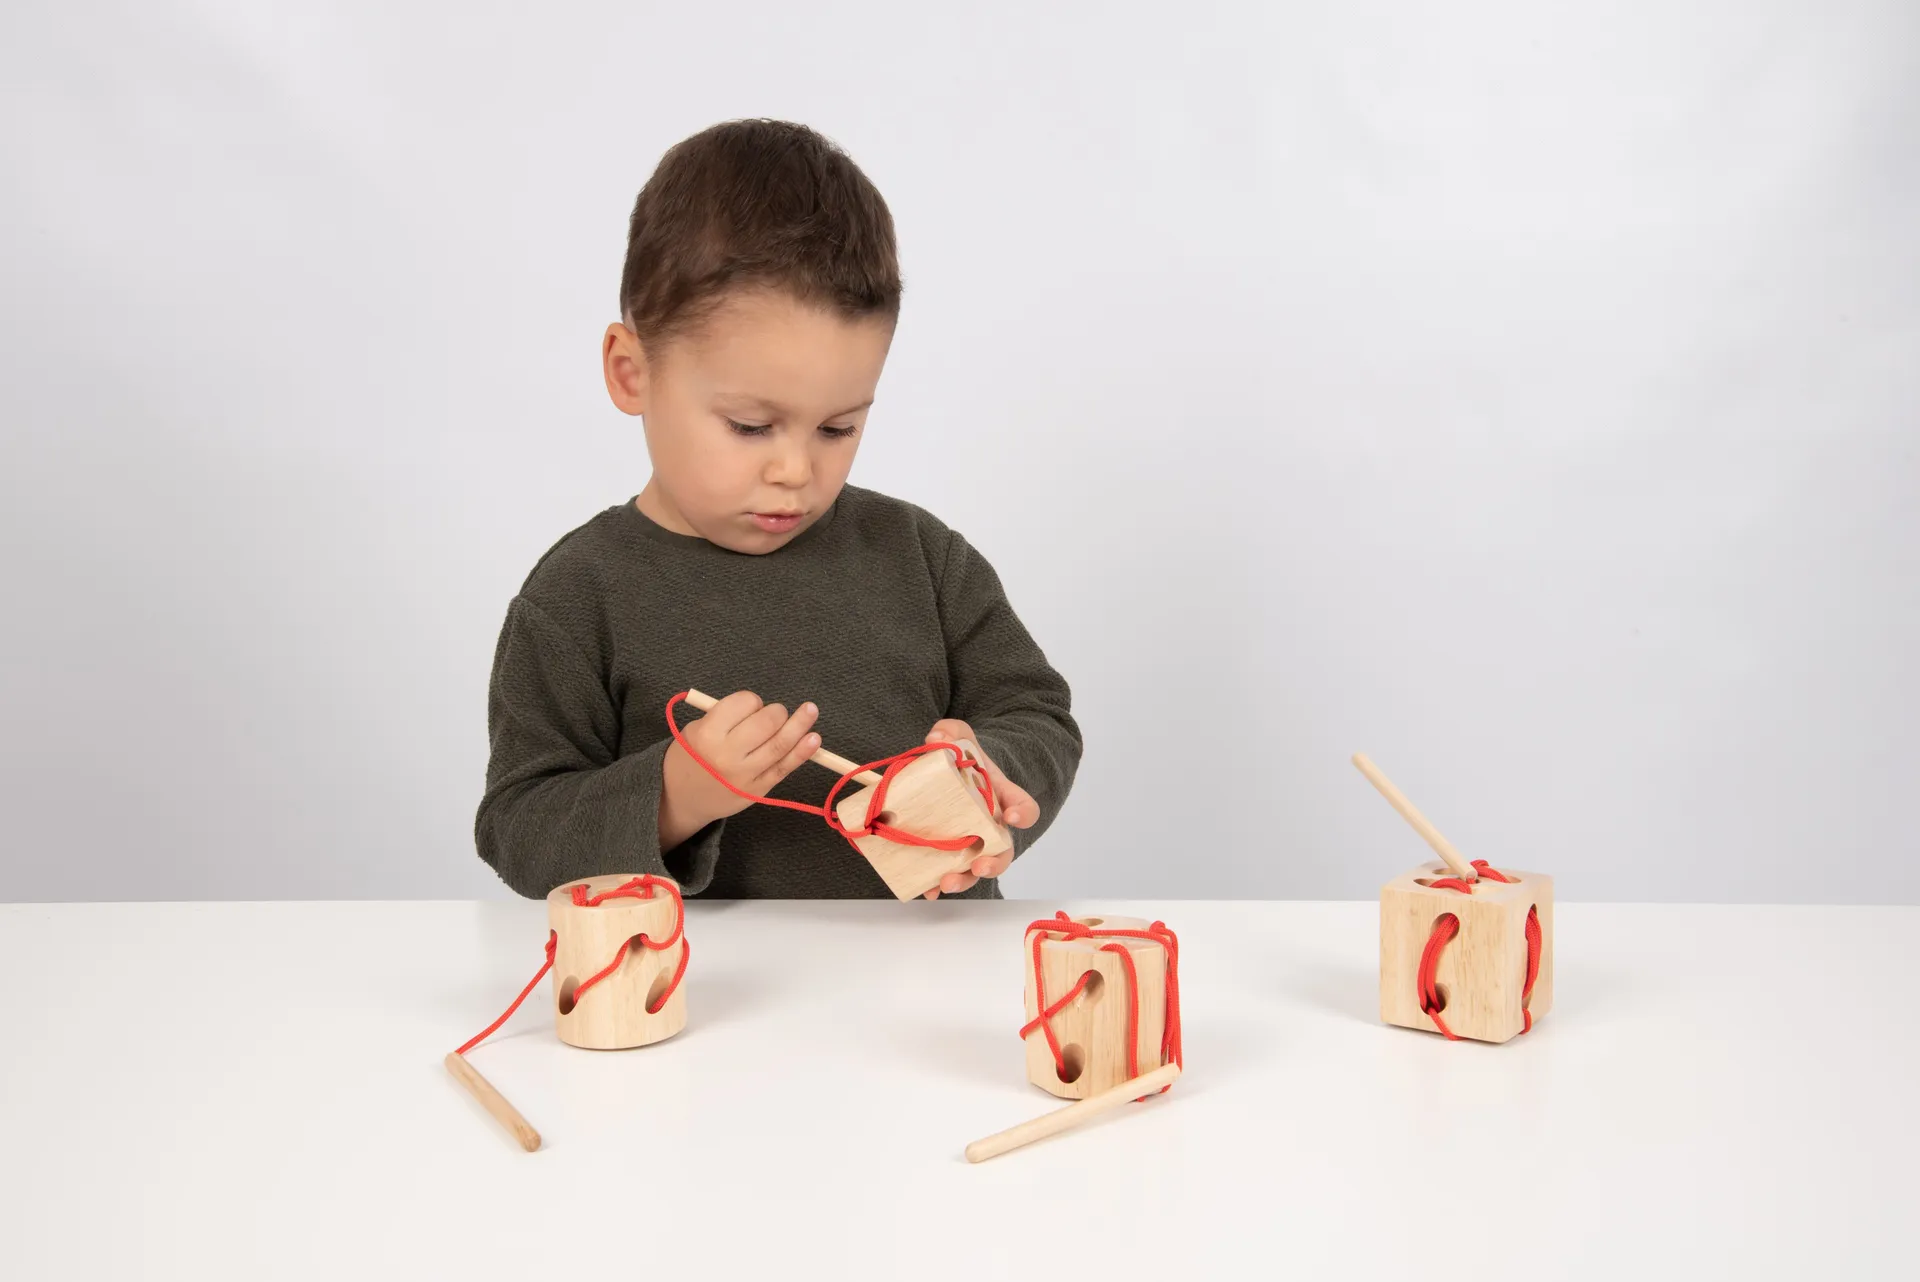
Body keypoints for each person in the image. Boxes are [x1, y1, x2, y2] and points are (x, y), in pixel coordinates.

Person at [475, 119, 1081, 900]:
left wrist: (991, 773)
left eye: (838, 428)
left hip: (930, 965)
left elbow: (1035, 713)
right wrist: (675, 794)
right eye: (750, 426)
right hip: (709, 977)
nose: (795, 471)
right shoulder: (578, 596)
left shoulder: (924, 560)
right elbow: (518, 828)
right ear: (632, 373)